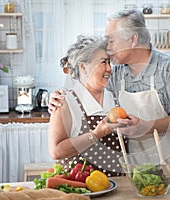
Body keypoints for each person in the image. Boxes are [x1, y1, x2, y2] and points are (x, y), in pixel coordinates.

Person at [49, 9, 170, 173]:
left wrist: (147, 126)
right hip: (137, 169)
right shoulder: (117, 74)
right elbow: (87, 83)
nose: (108, 47)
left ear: (133, 39)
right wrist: (58, 96)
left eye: (111, 40)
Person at [48, 35, 128, 177]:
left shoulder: (116, 98)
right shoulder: (65, 102)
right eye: (103, 62)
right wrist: (96, 134)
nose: (109, 68)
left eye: (109, 62)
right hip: (79, 189)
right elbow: (56, 151)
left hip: (117, 188)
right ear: (83, 67)